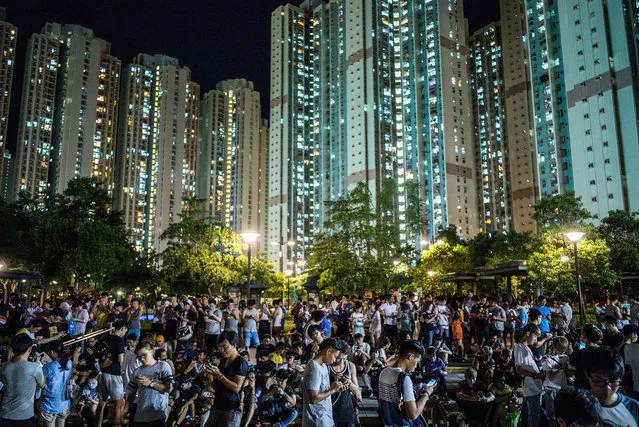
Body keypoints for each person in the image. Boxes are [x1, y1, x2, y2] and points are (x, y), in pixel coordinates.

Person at [378, 340, 435, 426]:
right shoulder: (404, 378)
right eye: (417, 361)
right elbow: (413, 414)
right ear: (410, 356)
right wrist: (427, 394)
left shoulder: (383, 372)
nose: (416, 366)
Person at [584, 346, 639, 426]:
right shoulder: (577, 406)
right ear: (587, 375)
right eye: (599, 381)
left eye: (613, 381)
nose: (607, 388)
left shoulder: (633, 408)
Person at [124, 340, 174, 427]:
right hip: (140, 416)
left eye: (144, 355)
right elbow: (131, 395)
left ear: (151, 351)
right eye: (139, 357)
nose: (142, 359)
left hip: (157, 415)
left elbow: (169, 388)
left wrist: (151, 383)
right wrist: (123, 412)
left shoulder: (162, 366)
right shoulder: (138, 371)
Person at [204, 331, 248, 427]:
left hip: (231, 409)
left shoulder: (241, 362)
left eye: (225, 346)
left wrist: (220, 375)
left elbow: (236, 388)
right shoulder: (223, 361)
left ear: (234, 345)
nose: (222, 350)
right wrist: (211, 375)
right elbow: (217, 386)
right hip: (217, 406)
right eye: (220, 346)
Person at [0, 333, 45, 426]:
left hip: (4, 415)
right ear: (30, 349)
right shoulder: (35, 368)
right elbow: (41, 385)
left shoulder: (3, 367)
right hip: (24, 416)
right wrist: (37, 364)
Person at [301, 338, 346, 427]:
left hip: (325, 418)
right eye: (335, 356)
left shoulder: (324, 366)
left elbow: (322, 390)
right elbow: (313, 399)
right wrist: (332, 390)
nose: (335, 360)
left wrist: (335, 386)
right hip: (318, 421)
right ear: (328, 351)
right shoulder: (314, 368)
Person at [97, 319, 128, 427]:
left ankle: (98, 424)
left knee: (102, 402)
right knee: (119, 402)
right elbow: (120, 359)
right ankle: (116, 425)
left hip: (102, 372)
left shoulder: (105, 338)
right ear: (123, 329)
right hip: (114, 374)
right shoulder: (119, 340)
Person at [513, 324, 543, 427]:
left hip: (534, 387)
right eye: (535, 336)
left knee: (530, 416)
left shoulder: (526, 348)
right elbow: (519, 368)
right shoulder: (519, 347)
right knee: (534, 418)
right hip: (531, 388)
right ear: (527, 334)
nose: (535, 339)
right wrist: (536, 375)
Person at [39, 340, 73, 427]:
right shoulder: (68, 363)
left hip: (49, 405)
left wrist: (38, 364)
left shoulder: (48, 367)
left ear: (51, 352)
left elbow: (40, 383)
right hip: (64, 403)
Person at [328, 341, 359, 427]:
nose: (341, 362)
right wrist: (333, 382)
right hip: (330, 409)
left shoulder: (350, 366)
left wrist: (349, 383)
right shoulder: (327, 366)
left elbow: (356, 390)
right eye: (339, 358)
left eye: (344, 358)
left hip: (346, 409)